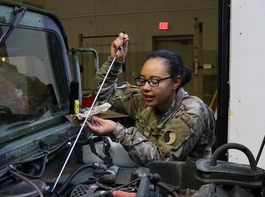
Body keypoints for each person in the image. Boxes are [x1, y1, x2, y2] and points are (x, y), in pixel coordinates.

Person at [86, 32, 215, 166]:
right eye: (143, 80)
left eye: (155, 81)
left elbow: (162, 162)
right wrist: (116, 62)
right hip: (153, 180)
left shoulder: (191, 112)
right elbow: (105, 94)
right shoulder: (143, 101)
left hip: (188, 185)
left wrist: (117, 130)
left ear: (176, 82)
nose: (145, 87)